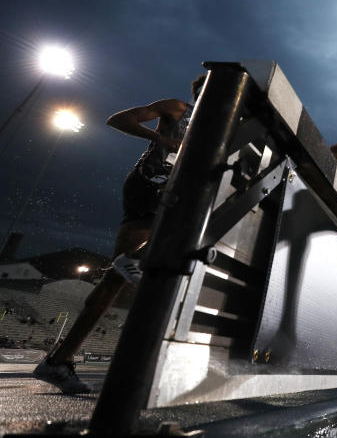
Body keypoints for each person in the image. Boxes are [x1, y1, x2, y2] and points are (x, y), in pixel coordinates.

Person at [32, 75, 206, 395]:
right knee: (171, 243)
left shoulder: (219, 129)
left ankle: (59, 360)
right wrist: (161, 140)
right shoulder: (177, 108)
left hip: (172, 196)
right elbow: (118, 119)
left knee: (115, 278)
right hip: (148, 186)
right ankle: (132, 260)